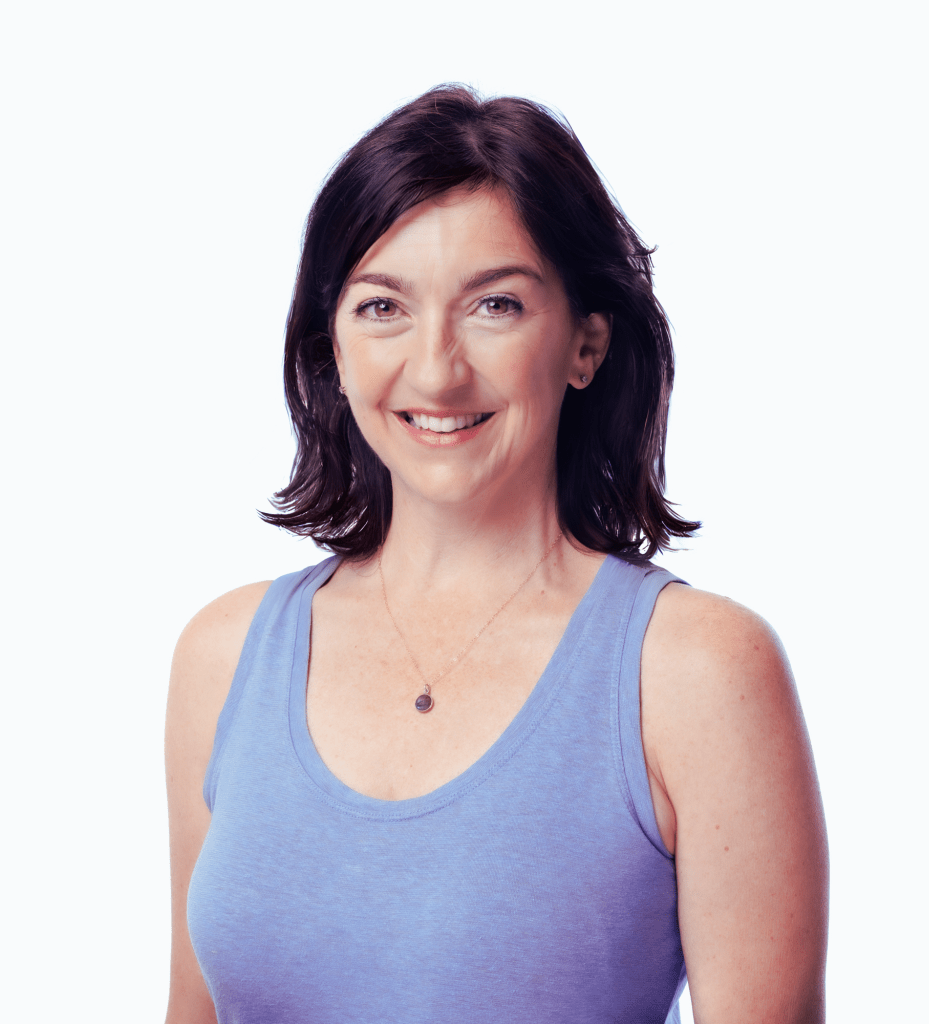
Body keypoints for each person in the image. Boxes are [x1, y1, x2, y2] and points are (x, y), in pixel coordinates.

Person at [164, 85, 828, 1024]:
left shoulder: (697, 672)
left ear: (585, 344)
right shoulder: (223, 657)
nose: (435, 369)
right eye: (382, 307)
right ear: (333, 348)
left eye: (496, 304)